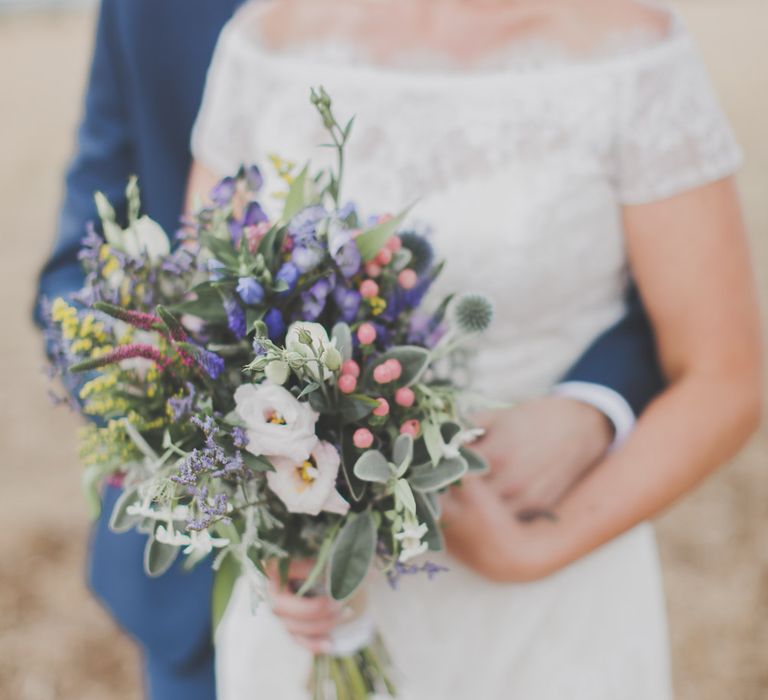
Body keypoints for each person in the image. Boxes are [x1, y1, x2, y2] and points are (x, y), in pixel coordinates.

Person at [36, 0, 669, 698]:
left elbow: (660, 302)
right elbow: (86, 264)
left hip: (532, 544)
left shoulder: (615, 39)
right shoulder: (208, 27)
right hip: (238, 586)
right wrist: (194, 429)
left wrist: (593, 406)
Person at [184, 0, 762, 698]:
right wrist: (269, 534)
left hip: (548, 575)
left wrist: (535, 546)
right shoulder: (268, 38)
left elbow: (724, 378)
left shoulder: (629, 49)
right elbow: (202, 331)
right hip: (314, 605)